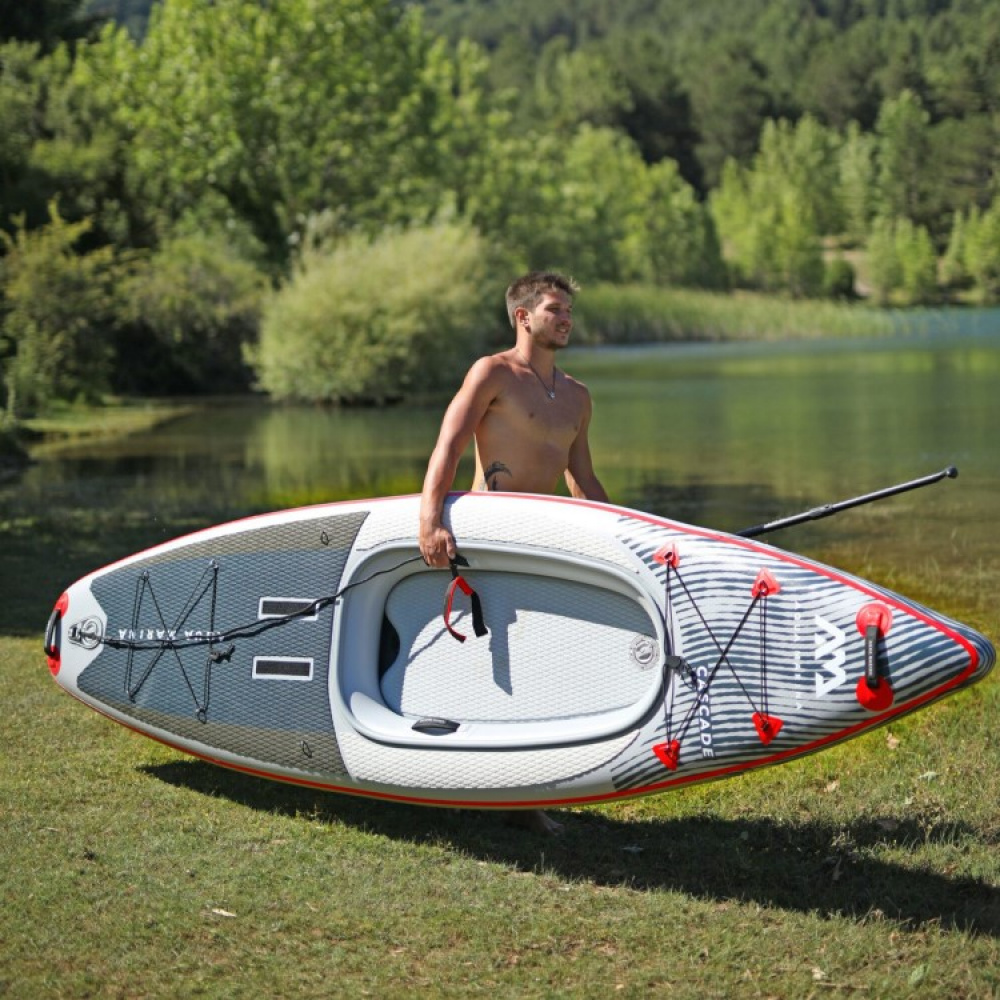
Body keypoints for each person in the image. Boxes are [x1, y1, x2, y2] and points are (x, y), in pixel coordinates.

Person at [418, 271, 609, 835]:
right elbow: (448, 444)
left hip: (542, 538)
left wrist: (624, 536)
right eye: (554, 308)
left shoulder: (577, 396)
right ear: (524, 317)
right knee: (483, 660)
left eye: (569, 308)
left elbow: (584, 480)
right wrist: (430, 518)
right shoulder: (493, 372)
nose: (566, 317)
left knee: (538, 660)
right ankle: (454, 782)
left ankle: (521, 796)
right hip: (487, 534)